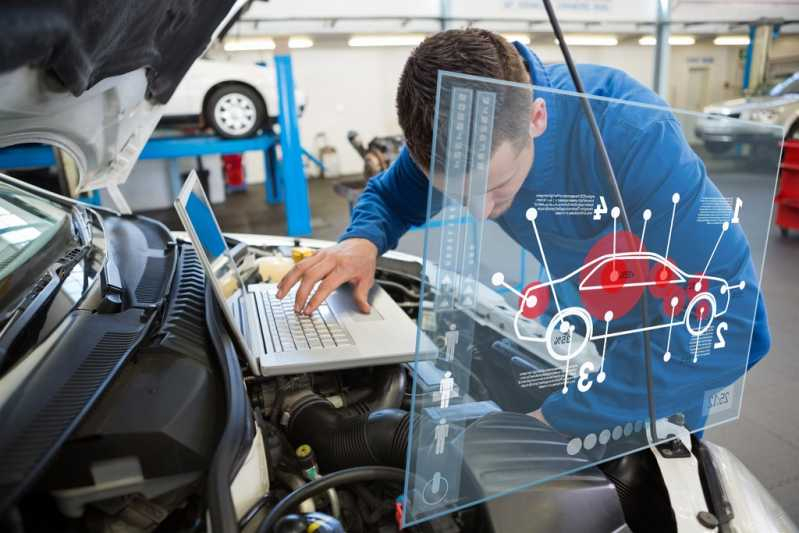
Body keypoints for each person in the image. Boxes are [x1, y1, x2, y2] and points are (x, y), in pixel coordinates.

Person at [277, 28, 770, 435]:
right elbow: (388, 196)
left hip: (665, 348)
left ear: (537, 118)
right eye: (457, 194)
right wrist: (361, 242)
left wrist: (554, 420)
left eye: (497, 187)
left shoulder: (633, 136)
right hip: (580, 324)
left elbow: (735, 326)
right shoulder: (453, 130)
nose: (480, 212)